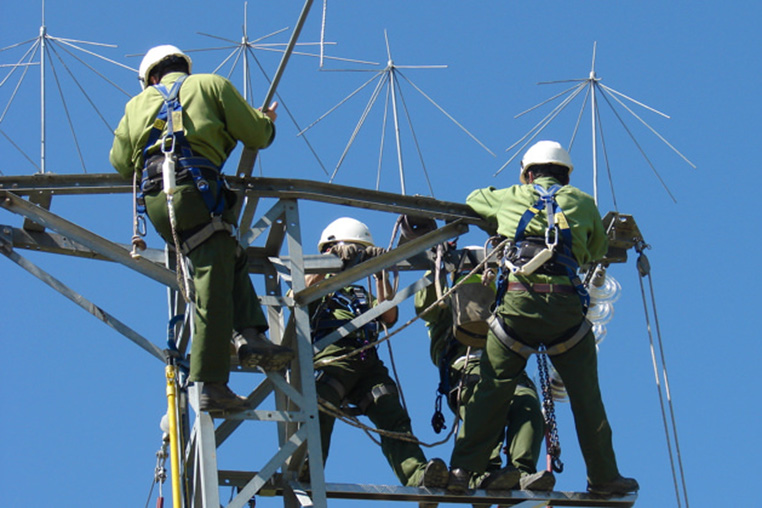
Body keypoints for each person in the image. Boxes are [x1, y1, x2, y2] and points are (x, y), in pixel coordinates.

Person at [447, 140, 639, 496]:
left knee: (491, 389)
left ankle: (462, 470)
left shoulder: (511, 196)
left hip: (517, 310)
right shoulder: (583, 202)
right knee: (587, 398)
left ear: (529, 174)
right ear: (565, 175)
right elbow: (597, 250)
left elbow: (475, 198)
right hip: (566, 315)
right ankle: (604, 477)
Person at [110, 45, 294, 414]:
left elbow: (119, 162)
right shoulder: (211, 85)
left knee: (227, 251)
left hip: (160, 202)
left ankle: (251, 334)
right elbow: (256, 135)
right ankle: (211, 382)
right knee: (211, 274)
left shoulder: (136, 105)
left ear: (151, 77)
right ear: (183, 67)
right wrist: (266, 122)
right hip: (196, 190)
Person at [306, 217, 449, 491]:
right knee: (319, 410)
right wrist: (332, 260)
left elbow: (388, 314)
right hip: (332, 357)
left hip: (366, 362)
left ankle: (417, 474)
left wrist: (380, 271)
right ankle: (308, 469)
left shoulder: (361, 293)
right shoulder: (318, 285)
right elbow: (301, 293)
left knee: (391, 413)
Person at [414, 262, 553, 492]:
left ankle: (522, 472)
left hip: (506, 367)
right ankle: (482, 472)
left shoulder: (499, 303)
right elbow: (425, 306)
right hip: (468, 368)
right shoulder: (446, 304)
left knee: (527, 402)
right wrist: (436, 265)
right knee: (485, 401)